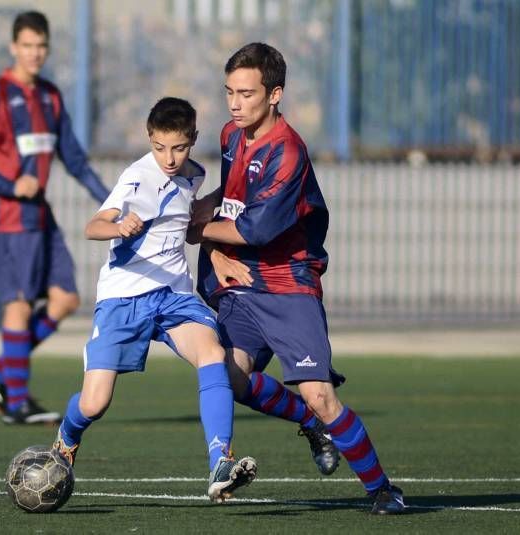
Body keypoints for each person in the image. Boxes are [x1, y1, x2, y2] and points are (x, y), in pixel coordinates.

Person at [189, 43, 405, 514]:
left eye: (246, 93)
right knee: (228, 375)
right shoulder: (231, 135)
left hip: (288, 285)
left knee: (322, 396)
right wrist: (210, 245)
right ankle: (309, 424)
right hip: (243, 284)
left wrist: (196, 231)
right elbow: (230, 198)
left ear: (275, 95)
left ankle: (382, 488)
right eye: (229, 92)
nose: (235, 103)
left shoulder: (287, 152)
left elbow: (256, 228)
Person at [51, 97, 257, 503]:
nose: (169, 157)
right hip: (125, 296)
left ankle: (220, 461)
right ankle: (67, 438)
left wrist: (226, 193)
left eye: (178, 147)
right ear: (150, 139)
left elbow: (185, 211)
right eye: (160, 147)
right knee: (95, 402)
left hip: (173, 295)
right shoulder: (136, 178)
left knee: (213, 353)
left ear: (192, 141)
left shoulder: (193, 175)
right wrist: (117, 226)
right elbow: (93, 226)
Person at [0, 11, 109, 425]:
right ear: (13, 48)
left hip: (40, 214)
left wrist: (111, 201)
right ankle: (16, 402)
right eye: (27, 45)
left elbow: (73, 159)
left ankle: (0, 373)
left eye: (41, 45)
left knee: (66, 298)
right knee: (19, 304)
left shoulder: (50, 97)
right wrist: (9, 183)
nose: (35, 53)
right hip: (7, 215)